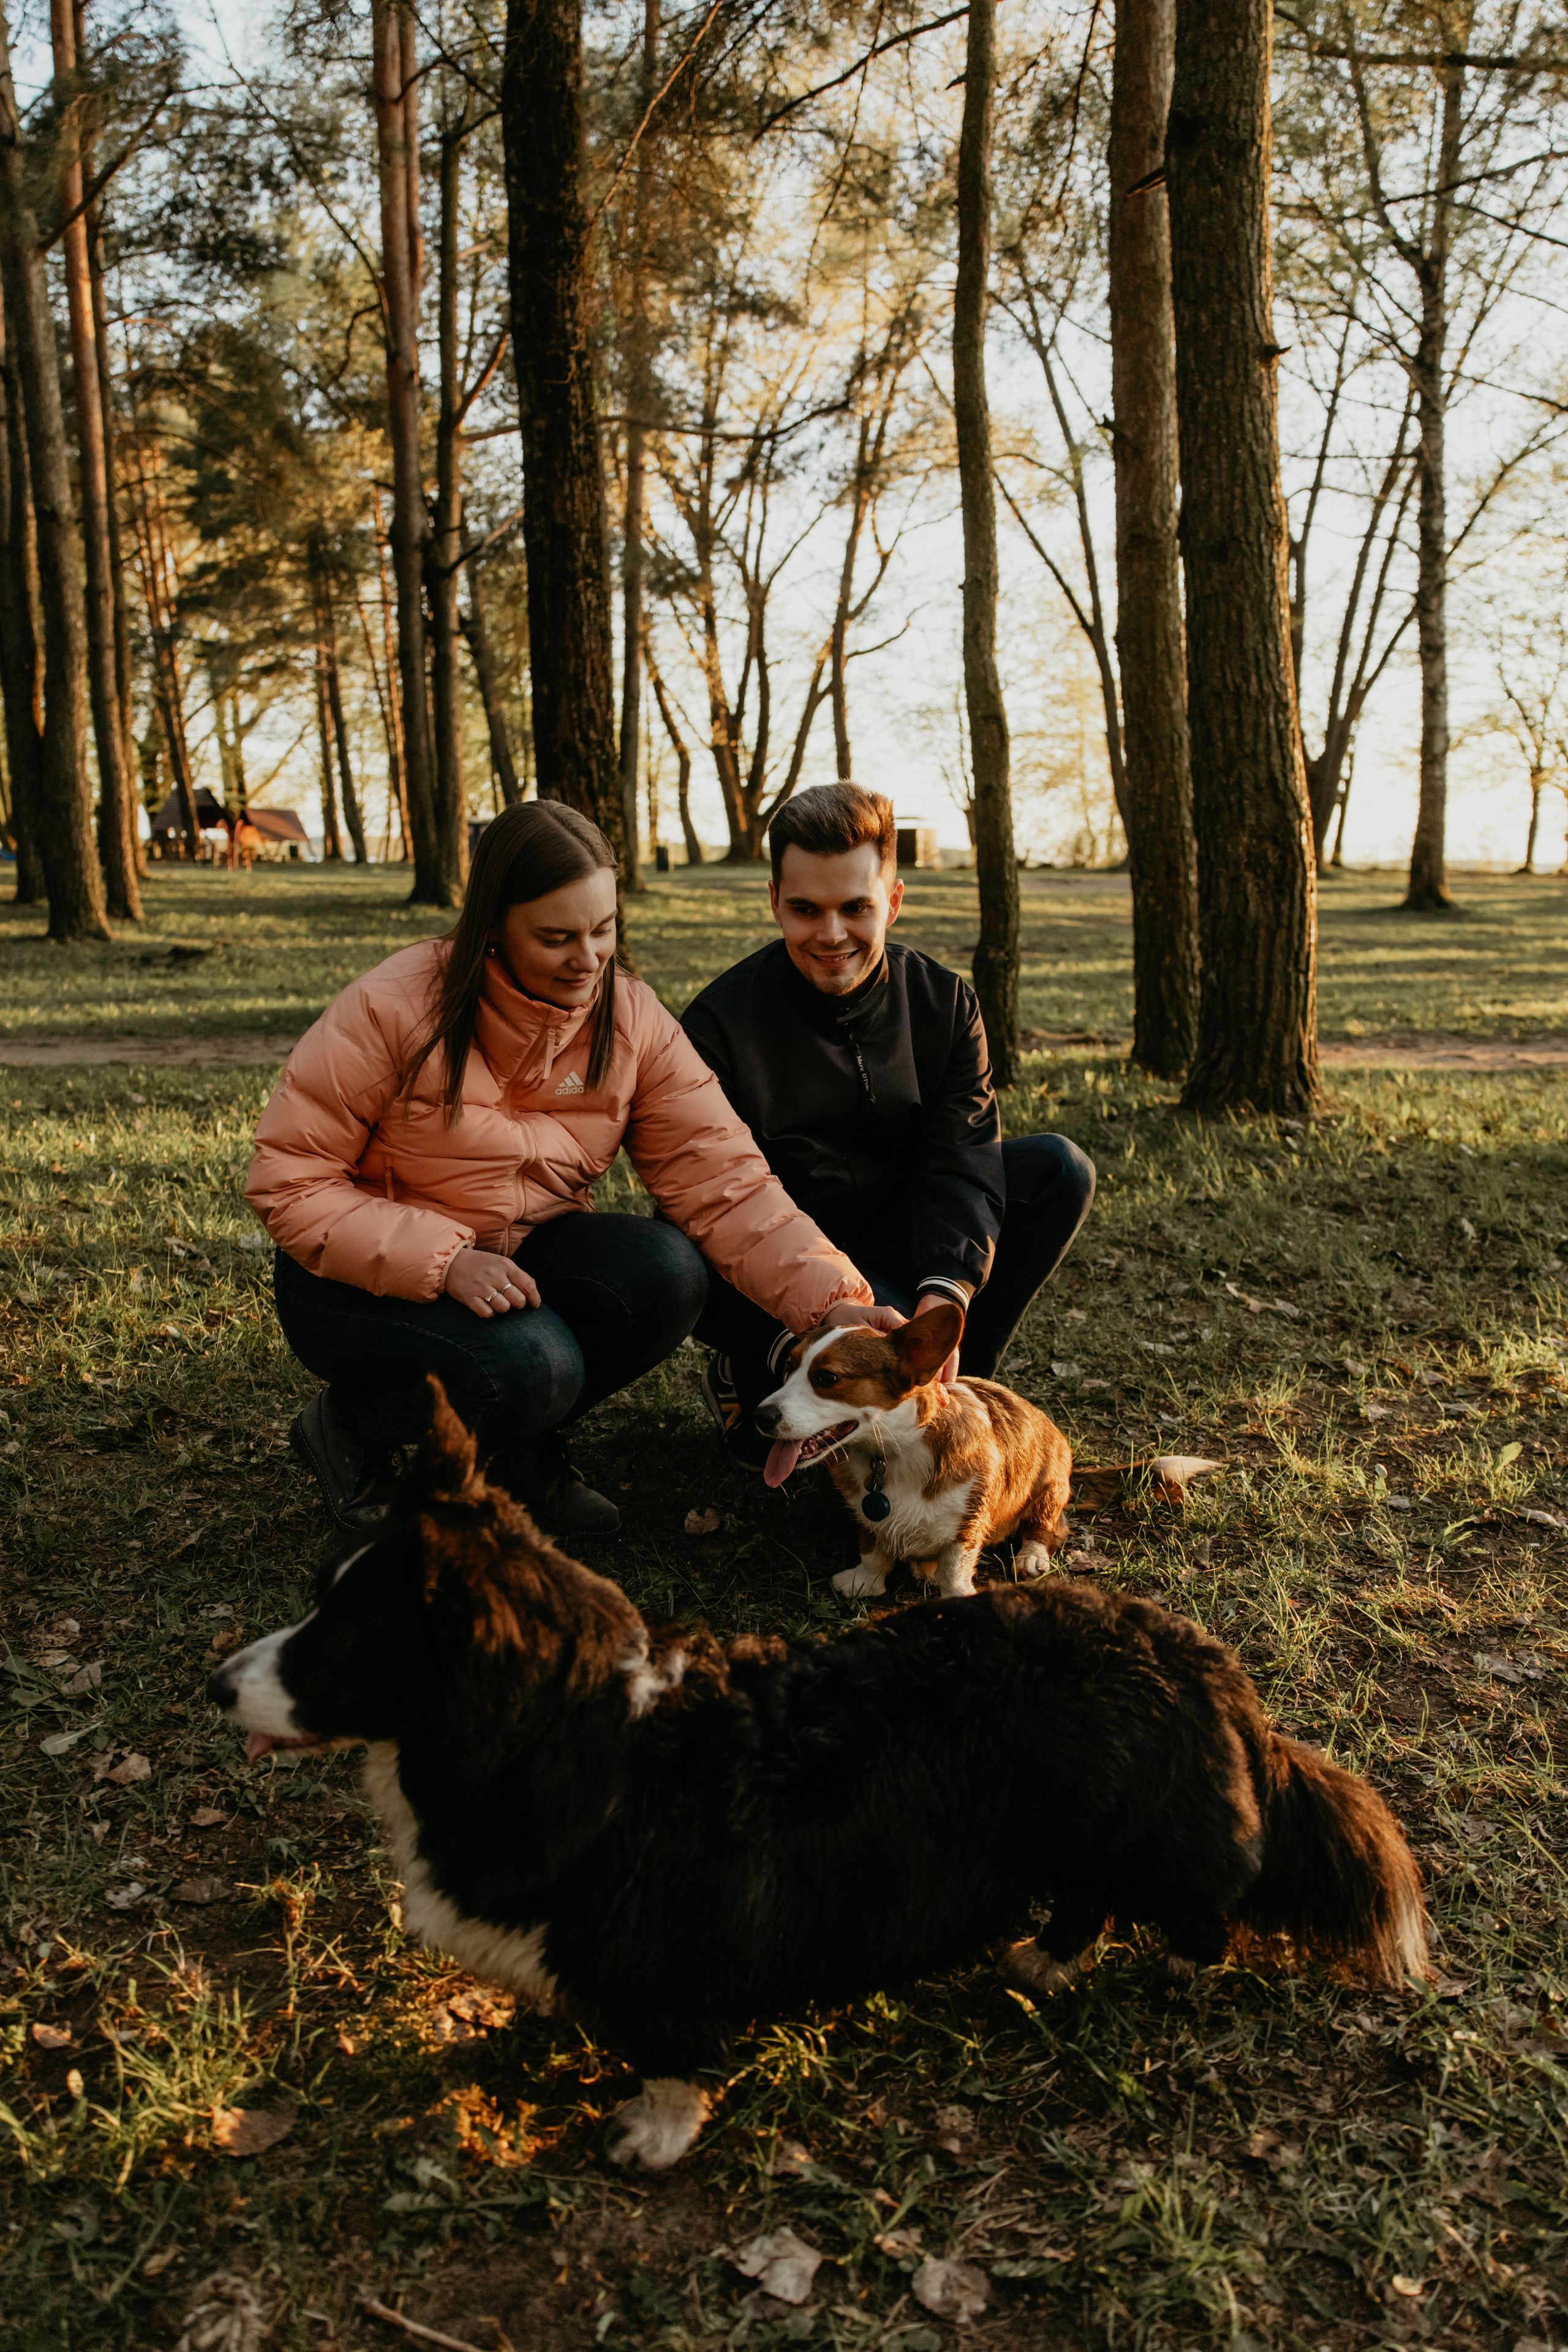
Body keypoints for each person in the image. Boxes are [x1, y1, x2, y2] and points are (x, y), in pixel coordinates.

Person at [246, 803, 890, 1539]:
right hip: (357, 1282)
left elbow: (726, 1181)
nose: (588, 958)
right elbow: (289, 1182)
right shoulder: (391, 1008)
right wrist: (446, 1261)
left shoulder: (633, 1023)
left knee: (668, 1272)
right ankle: (349, 1426)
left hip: (516, 1261)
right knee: (534, 1368)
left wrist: (831, 1302)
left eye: (603, 929)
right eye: (556, 937)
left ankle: (512, 1452)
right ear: (493, 926)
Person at [680, 782, 1096, 1466]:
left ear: (893, 901)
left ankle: (949, 1397)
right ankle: (755, 1369)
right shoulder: (717, 1027)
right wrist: (800, 1326)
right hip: (792, 1274)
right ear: (774, 902)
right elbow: (706, 1210)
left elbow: (963, 1158)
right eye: (805, 909)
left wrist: (940, 1297)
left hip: (905, 1242)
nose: (830, 935)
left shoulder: (944, 1002)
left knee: (1056, 1167)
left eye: (856, 907)